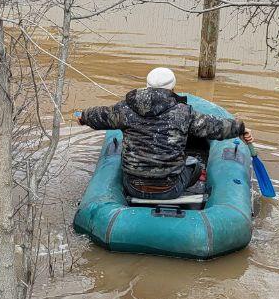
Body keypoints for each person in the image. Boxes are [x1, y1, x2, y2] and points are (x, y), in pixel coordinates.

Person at [76, 67, 253, 201]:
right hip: (170, 188)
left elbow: (98, 115)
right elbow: (215, 127)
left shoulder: (124, 110)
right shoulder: (183, 113)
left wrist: (82, 117)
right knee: (196, 165)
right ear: (173, 87)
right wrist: (241, 128)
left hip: (132, 186)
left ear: (146, 86)